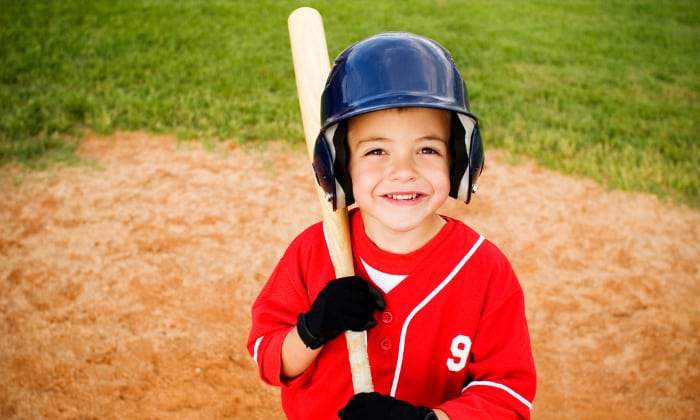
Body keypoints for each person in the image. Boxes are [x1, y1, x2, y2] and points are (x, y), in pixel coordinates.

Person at [247, 32, 536, 419]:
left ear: (458, 161)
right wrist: (312, 330)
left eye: (427, 149)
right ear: (341, 167)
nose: (403, 171)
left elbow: (507, 397)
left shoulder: (484, 270)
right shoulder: (313, 251)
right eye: (376, 150)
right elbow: (272, 359)